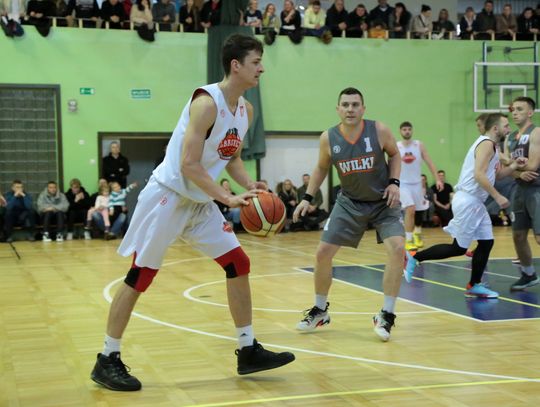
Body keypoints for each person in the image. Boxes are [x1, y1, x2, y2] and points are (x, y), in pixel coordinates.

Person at [90, 34, 295, 392]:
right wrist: (226, 199)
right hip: (168, 196)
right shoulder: (206, 102)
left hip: (198, 201)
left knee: (238, 263)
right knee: (140, 275)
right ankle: (107, 358)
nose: (262, 68)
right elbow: (189, 164)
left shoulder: (246, 110)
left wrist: (250, 185)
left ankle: (247, 349)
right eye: (256, 62)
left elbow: (230, 156)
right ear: (236, 65)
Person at [293, 87, 404, 342]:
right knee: (322, 253)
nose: (350, 109)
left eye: (355, 105)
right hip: (350, 203)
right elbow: (321, 168)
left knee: (397, 249)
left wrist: (394, 182)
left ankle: (386, 314)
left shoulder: (379, 130)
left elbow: (395, 154)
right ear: (338, 109)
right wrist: (307, 198)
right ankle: (320, 311)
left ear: (363, 109)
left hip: (383, 202)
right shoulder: (328, 138)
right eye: (345, 105)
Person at [404, 114, 526, 298]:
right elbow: (479, 175)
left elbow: (498, 175)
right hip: (468, 200)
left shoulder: (491, 146)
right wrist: (498, 196)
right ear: (495, 128)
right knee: (459, 248)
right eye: (506, 126)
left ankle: (474, 284)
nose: (509, 129)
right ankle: (414, 258)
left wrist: (515, 164)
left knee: (486, 242)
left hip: (475, 202)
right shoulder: (486, 144)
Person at [505, 97, 540, 290]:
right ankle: (528, 274)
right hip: (518, 189)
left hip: (537, 189)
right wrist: (517, 170)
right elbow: (505, 168)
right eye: (513, 109)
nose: (515, 112)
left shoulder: (536, 133)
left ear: (530, 112)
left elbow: (534, 165)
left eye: (519, 109)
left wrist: (512, 165)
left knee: (539, 237)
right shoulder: (510, 138)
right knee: (518, 235)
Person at [397, 121, 443, 251]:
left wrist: (437, 179)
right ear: (400, 131)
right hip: (403, 184)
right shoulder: (397, 146)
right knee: (410, 209)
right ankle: (408, 239)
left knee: (419, 210)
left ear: (412, 131)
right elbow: (391, 164)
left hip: (417, 183)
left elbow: (429, 162)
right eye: (404, 129)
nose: (407, 131)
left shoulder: (419, 145)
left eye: (409, 129)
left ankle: (417, 234)